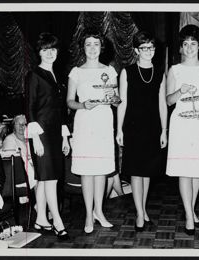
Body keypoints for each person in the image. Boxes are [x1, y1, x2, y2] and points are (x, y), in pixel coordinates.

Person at [166, 24, 199, 236]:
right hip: (181, 123)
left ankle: (191, 210)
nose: (189, 48)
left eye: (193, 44)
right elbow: (168, 101)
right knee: (184, 170)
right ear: (181, 47)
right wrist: (180, 90)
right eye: (185, 44)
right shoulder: (175, 70)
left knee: (197, 171)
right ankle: (189, 215)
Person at [67, 28, 118, 234]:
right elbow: (70, 102)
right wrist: (83, 105)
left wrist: (112, 96)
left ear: (101, 47)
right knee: (88, 171)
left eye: (96, 44)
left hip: (104, 123)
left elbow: (116, 101)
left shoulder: (110, 71)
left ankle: (99, 211)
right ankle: (89, 214)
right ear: (83, 48)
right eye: (88, 44)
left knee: (102, 171)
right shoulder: (76, 72)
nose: (92, 48)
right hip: (85, 124)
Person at [116, 31, 167, 232]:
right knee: (137, 173)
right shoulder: (127, 72)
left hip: (153, 127)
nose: (149, 51)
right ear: (137, 50)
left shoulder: (160, 72)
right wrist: (119, 129)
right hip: (133, 127)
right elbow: (123, 102)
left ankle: (143, 209)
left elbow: (162, 103)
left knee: (147, 173)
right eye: (144, 48)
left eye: (151, 47)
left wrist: (164, 130)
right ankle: (139, 213)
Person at [26, 32, 70, 240]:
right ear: (39, 53)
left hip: (54, 133)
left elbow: (60, 110)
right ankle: (57, 222)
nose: (50, 53)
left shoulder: (56, 75)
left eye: (53, 49)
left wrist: (64, 136)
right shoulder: (34, 75)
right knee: (50, 179)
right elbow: (30, 109)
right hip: (41, 134)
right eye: (45, 50)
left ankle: (41, 218)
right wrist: (35, 138)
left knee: (44, 180)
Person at [2, 115, 37, 201]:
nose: (22, 126)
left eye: (24, 124)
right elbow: (10, 162)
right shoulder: (10, 139)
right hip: (19, 177)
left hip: (32, 171)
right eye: (19, 124)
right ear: (14, 126)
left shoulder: (31, 139)